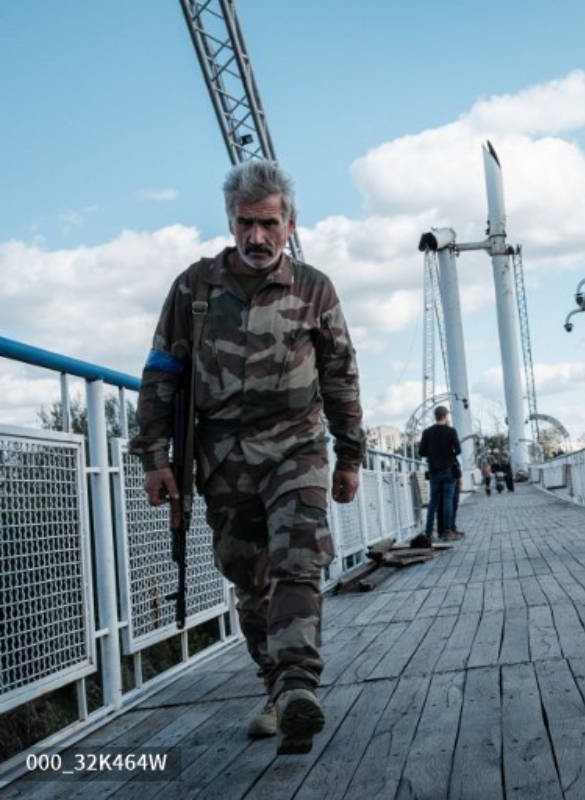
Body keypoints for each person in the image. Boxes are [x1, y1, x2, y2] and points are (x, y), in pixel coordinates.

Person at [131, 159, 364, 754]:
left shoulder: (315, 289)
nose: (255, 237)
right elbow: (162, 372)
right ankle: (277, 692)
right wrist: (154, 457)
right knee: (250, 577)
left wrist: (350, 455)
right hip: (222, 457)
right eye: (244, 225)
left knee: (298, 562)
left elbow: (340, 375)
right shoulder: (195, 287)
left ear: (289, 224)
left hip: (297, 447)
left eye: (267, 224)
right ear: (230, 223)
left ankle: (298, 685)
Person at [415, 405, 461, 545]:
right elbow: (458, 450)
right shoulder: (451, 431)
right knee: (448, 500)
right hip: (448, 470)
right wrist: (448, 455)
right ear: (445, 416)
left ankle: (428, 533)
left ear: (435, 416)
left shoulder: (427, 432)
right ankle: (447, 531)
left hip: (434, 471)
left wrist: (434, 455)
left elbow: (421, 452)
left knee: (433, 503)